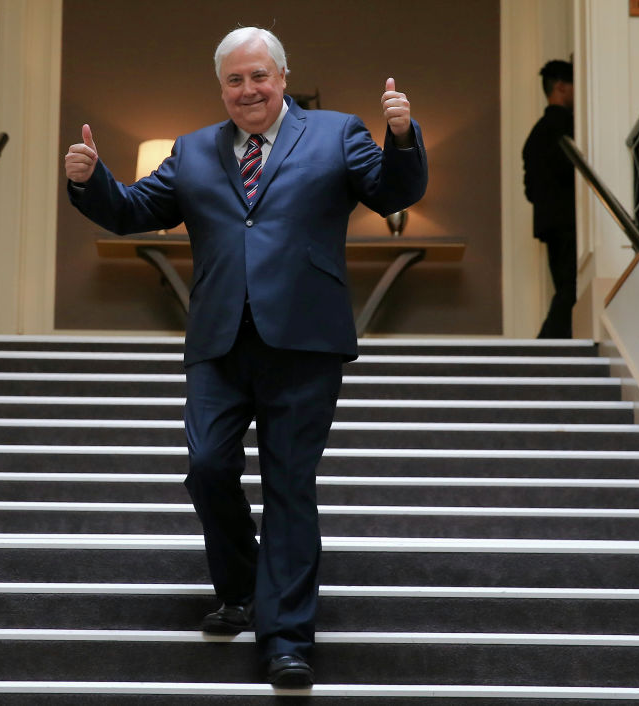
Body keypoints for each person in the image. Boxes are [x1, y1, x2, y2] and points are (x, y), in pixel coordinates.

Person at [64, 26, 427, 687]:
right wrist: (92, 182)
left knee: (290, 487)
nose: (248, 90)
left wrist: (400, 137)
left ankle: (286, 640)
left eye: (259, 76)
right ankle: (238, 587)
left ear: (282, 77)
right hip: (219, 340)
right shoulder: (194, 149)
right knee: (207, 468)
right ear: (221, 88)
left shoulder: (338, 133)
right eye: (234, 80)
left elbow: (392, 194)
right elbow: (135, 210)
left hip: (304, 341)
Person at [522, 59, 576, 338]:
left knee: (566, 288)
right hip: (571, 221)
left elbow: (530, 188)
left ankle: (552, 346)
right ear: (561, 87)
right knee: (571, 290)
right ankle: (546, 344)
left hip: (549, 223)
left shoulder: (535, 135)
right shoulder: (569, 127)